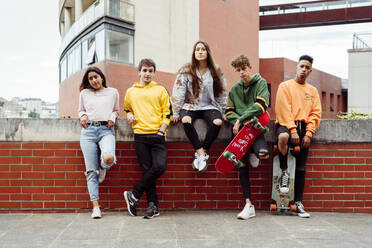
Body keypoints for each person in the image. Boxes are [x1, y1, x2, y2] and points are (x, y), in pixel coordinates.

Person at [123, 58, 172, 219]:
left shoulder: (160, 90)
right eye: (144, 70)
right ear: (139, 72)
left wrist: (161, 130)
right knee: (147, 172)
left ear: (154, 72)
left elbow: (168, 112)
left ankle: (134, 194)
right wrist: (129, 114)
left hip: (157, 135)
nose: (147, 73)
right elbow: (126, 108)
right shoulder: (131, 91)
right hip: (140, 136)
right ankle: (153, 206)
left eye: (150, 70)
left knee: (159, 167)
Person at [225, 54, 270, 220]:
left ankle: (255, 152)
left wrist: (240, 119)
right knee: (241, 165)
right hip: (240, 132)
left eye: (243, 69)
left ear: (250, 67)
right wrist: (238, 120)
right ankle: (248, 204)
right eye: (238, 70)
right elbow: (228, 112)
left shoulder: (261, 83)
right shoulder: (235, 89)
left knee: (263, 153)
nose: (241, 73)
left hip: (256, 128)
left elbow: (261, 105)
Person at [275, 55, 321, 218]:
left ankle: (299, 203)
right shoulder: (285, 86)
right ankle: (285, 171)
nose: (303, 69)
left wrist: (309, 134)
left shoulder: (313, 91)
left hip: (304, 128)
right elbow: (283, 109)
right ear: (297, 67)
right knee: (283, 138)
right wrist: (293, 130)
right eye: (301, 66)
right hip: (286, 125)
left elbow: (316, 113)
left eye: (307, 68)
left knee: (301, 168)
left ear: (310, 71)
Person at [171, 40, 227, 172]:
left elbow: (221, 92)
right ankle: (201, 153)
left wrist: (224, 111)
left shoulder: (216, 70)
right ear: (194, 53)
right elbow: (178, 92)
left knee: (217, 122)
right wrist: (176, 112)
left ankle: (202, 152)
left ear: (208, 52)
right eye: (197, 49)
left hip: (209, 106)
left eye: (203, 49)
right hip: (191, 106)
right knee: (185, 120)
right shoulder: (186, 70)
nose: (200, 52)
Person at [78, 66, 119, 219]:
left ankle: (103, 167)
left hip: (105, 130)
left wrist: (112, 118)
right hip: (88, 132)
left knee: (109, 158)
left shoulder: (113, 92)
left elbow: (116, 110)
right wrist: (82, 116)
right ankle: (96, 207)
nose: (94, 80)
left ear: (102, 77)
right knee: (90, 172)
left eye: (96, 77)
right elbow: (81, 109)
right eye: (90, 78)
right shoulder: (84, 93)